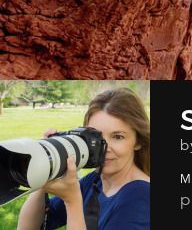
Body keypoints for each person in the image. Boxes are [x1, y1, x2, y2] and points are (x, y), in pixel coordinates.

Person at [17, 88, 150, 230]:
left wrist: (72, 201)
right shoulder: (94, 182)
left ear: (138, 141)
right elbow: (29, 227)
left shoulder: (141, 196)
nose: (104, 148)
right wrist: (47, 170)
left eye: (118, 137)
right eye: (96, 137)